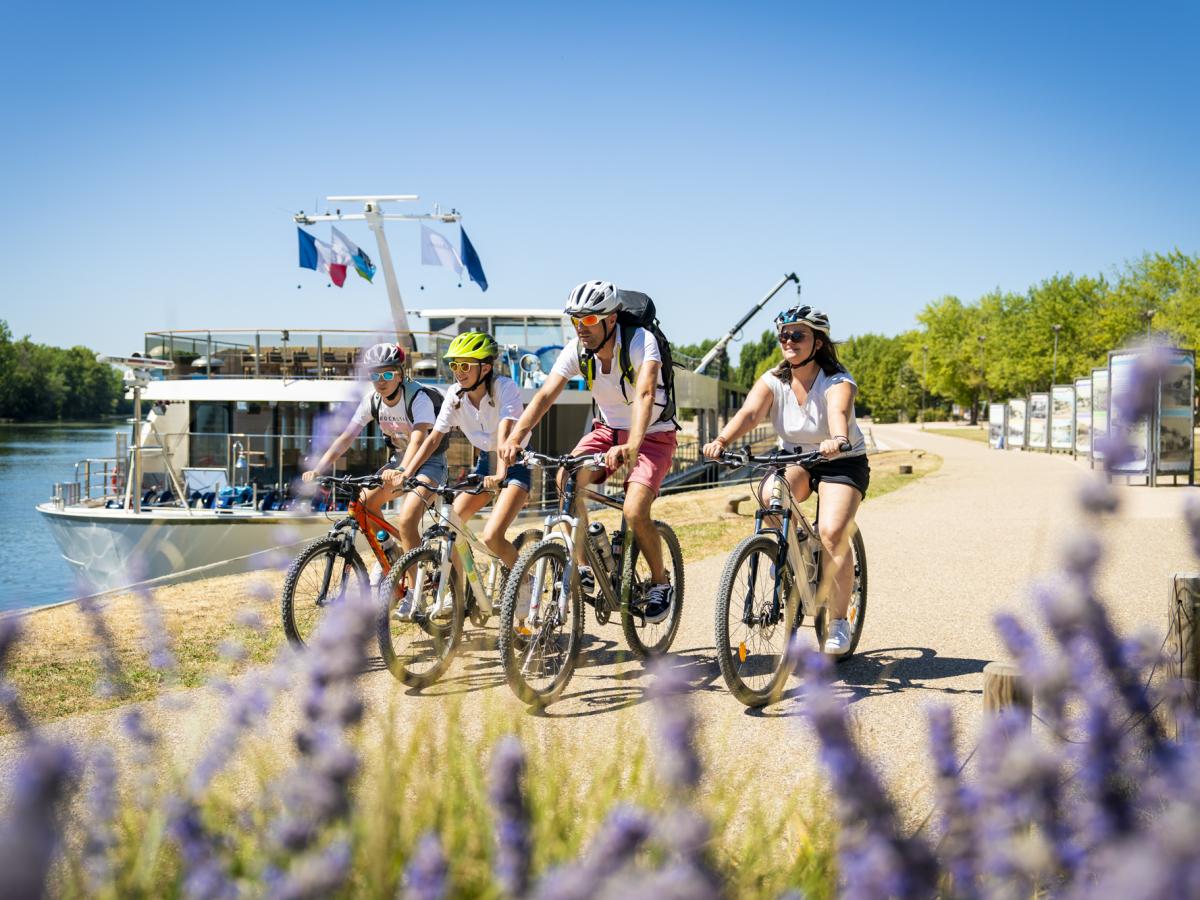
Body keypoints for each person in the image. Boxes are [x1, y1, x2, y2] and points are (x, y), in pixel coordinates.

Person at [499, 280, 677, 624]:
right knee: (566, 477)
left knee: (635, 510)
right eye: (576, 320)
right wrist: (517, 437)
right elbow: (544, 397)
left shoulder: (641, 342)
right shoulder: (577, 351)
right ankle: (583, 567)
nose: (582, 328)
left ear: (611, 319)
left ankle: (660, 582)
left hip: (652, 434)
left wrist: (633, 445)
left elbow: (644, 395)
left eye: (590, 320)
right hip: (608, 431)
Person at [701, 304, 869, 654]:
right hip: (796, 458)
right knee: (769, 497)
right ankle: (798, 558)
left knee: (833, 532)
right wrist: (721, 441)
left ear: (817, 342)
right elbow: (749, 414)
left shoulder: (837, 380)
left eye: (797, 335)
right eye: (784, 335)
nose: (788, 340)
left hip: (840, 460)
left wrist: (837, 439)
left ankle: (838, 621)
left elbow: (839, 412)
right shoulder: (774, 380)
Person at [401, 332, 532, 610]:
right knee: (451, 522)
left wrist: (500, 475)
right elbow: (434, 438)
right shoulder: (454, 395)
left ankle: (526, 583)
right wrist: (407, 472)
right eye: (455, 366)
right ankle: (459, 591)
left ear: (485, 367)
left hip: (514, 462)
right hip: (486, 462)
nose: (458, 372)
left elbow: (505, 432)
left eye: (465, 365)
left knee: (492, 536)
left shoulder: (504, 387)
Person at [302, 342, 446, 580]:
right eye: (375, 375)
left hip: (430, 462)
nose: (381, 380)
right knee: (364, 504)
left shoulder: (418, 398)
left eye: (388, 374)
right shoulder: (373, 401)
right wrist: (319, 468)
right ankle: (392, 552)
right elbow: (347, 437)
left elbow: (419, 438)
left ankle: (413, 588)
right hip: (398, 462)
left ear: (400, 374)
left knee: (407, 520)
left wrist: (403, 470)